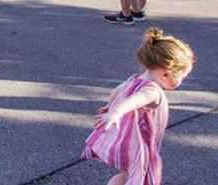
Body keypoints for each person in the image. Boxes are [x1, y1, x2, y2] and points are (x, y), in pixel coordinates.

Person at [81, 27, 194, 185]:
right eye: (182, 76)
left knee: (127, 175)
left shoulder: (135, 79)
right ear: (166, 73)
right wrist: (116, 113)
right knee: (143, 176)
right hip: (141, 143)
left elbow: (115, 92)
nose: (182, 81)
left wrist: (110, 107)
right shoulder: (153, 91)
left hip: (130, 140)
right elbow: (136, 99)